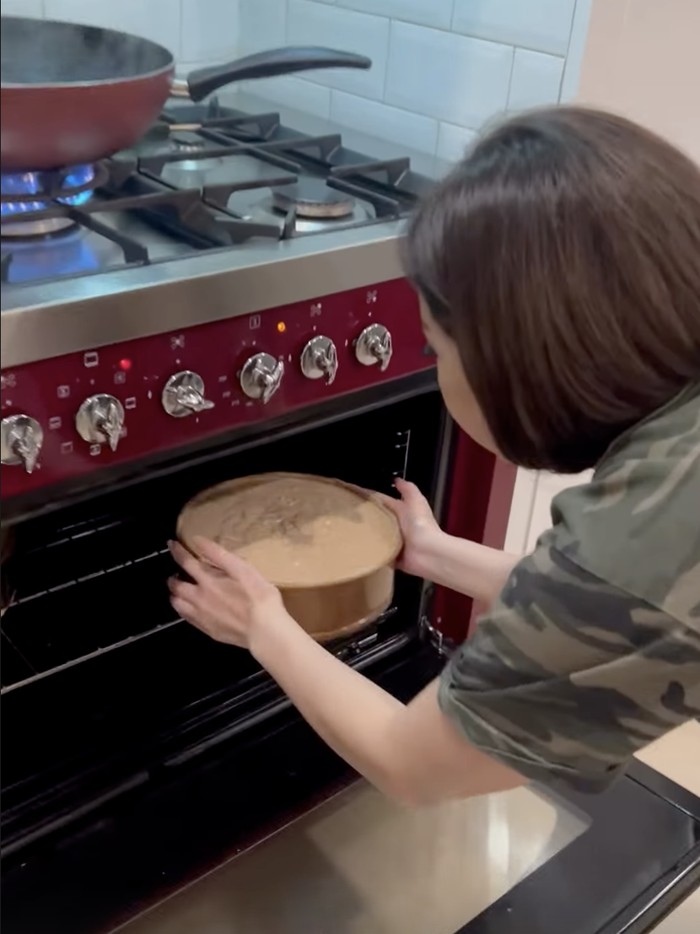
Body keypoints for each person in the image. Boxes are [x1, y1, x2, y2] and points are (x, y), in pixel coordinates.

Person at [168, 106, 700, 804]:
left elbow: (412, 765)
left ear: (517, 359)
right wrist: (435, 554)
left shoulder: (645, 535)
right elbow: (619, 600)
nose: (435, 364)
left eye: (433, 346)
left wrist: (264, 627)